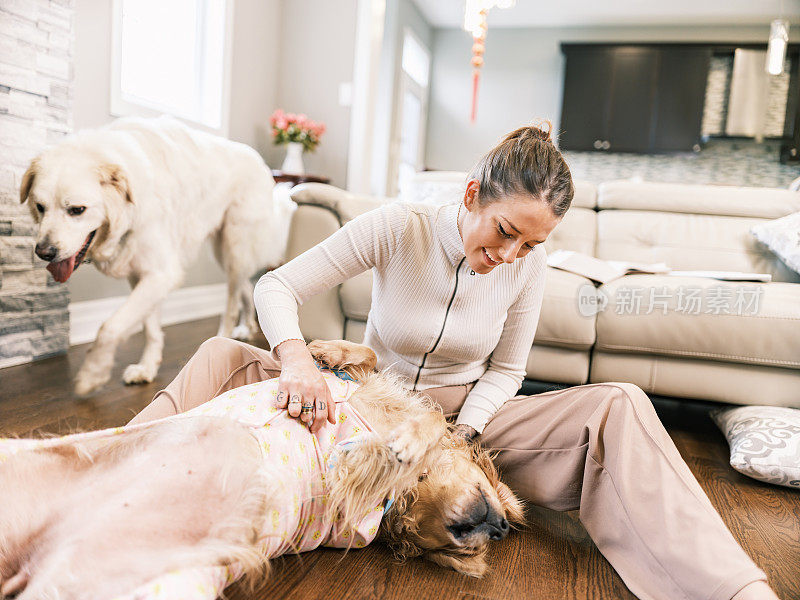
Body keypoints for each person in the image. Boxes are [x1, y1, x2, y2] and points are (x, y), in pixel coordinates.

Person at [129, 124, 778, 600]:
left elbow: (506, 371)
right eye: (504, 231)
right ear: (471, 195)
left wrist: (461, 433)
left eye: (532, 243)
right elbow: (277, 286)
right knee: (221, 354)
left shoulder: (528, 264)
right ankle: (111, 465)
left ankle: (729, 589)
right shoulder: (398, 226)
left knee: (619, 404)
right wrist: (296, 362)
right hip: (365, 400)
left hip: (466, 420)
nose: (512, 254)